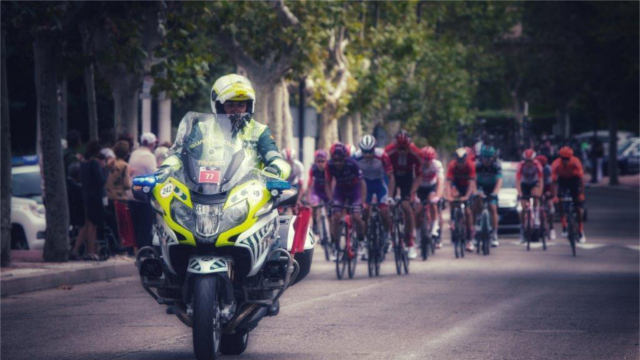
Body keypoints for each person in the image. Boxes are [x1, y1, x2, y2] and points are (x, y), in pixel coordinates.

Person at [161, 74, 291, 181]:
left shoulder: (260, 131)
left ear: (248, 106)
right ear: (219, 106)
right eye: (230, 105)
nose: (236, 110)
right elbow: (182, 154)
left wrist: (275, 169)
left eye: (241, 105)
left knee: (270, 212)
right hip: (205, 193)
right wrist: (165, 168)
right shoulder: (203, 129)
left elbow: (275, 157)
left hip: (249, 196)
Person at [385, 130, 422, 259]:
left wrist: (412, 192)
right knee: (387, 207)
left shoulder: (416, 152)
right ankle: (390, 237)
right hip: (392, 177)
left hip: (407, 178)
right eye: (399, 148)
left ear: (409, 146)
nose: (401, 151)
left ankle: (411, 243)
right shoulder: (388, 151)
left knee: (406, 207)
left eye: (404, 148)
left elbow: (419, 176)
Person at [355, 135, 395, 254]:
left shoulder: (382, 155)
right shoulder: (356, 157)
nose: (367, 155)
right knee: (365, 212)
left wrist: (390, 197)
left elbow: (391, 177)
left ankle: (388, 237)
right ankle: (366, 241)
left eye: (370, 152)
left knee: (384, 211)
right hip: (365, 185)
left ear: (374, 149)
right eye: (365, 152)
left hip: (379, 184)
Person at [325, 142, 366, 253]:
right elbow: (327, 184)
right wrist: (330, 200)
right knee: (335, 216)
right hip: (340, 191)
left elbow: (362, 183)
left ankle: (362, 239)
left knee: (357, 216)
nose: (337, 163)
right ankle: (334, 242)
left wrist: (363, 201)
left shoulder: (353, 164)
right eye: (335, 160)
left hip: (355, 190)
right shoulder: (329, 165)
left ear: (345, 158)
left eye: (340, 160)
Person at [73, 141, 107, 261]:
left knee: (87, 224)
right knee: (93, 225)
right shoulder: (95, 163)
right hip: (95, 196)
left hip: (85, 195)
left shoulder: (83, 163)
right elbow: (101, 181)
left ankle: (75, 249)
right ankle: (91, 252)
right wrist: (104, 169)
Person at [128, 132, 158, 250]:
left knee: (134, 222)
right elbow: (154, 174)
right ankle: (143, 248)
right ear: (151, 144)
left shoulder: (134, 153)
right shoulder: (149, 156)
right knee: (145, 223)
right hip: (144, 194)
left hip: (131, 193)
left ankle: (133, 249)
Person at [552, 146, 586, 243]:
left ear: (570, 158)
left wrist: (581, 194)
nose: (565, 161)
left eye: (567, 159)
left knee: (578, 207)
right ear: (560, 158)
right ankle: (564, 225)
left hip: (574, 180)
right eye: (563, 159)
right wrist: (555, 196)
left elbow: (581, 180)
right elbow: (554, 182)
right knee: (560, 201)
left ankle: (580, 230)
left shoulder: (575, 162)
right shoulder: (556, 164)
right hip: (562, 181)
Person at [445, 148, 476, 251]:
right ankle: (454, 220)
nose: (460, 164)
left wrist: (467, 196)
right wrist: (449, 196)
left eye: (462, 161)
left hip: (467, 187)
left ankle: (469, 239)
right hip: (457, 186)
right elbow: (448, 183)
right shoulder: (452, 165)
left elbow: (472, 183)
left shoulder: (470, 165)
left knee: (467, 212)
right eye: (458, 161)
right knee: (453, 198)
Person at [415, 146, 445, 248]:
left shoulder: (436, 165)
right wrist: (413, 195)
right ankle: (418, 235)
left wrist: (438, 196)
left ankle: (435, 228)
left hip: (432, 186)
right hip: (420, 186)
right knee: (417, 210)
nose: (426, 162)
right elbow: (412, 181)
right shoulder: (417, 164)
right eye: (424, 159)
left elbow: (440, 183)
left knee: (433, 202)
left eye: (428, 160)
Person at [106, 140, 132, 252]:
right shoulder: (125, 166)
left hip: (109, 196)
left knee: (112, 224)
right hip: (121, 197)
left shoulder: (110, 163)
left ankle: (113, 246)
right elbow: (127, 185)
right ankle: (123, 248)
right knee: (123, 225)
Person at [474, 145, 502, 247]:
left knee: (493, 208)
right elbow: (473, 180)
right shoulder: (478, 165)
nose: (487, 160)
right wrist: (476, 191)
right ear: (482, 157)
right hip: (480, 187)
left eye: (489, 158)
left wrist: (495, 192)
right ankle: (476, 226)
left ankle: (494, 234)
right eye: (485, 157)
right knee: (477, 203)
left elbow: (499, 180)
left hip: (492, 188)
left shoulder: (496, 165)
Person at [516, 149, 544, 243]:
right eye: (527, 161)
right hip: (524, 184)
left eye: (530, 161)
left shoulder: (538, 165)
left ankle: (536, 216)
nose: (528, 163)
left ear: (534, 159)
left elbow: (541, 180)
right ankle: (522, 227)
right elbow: (518, 181)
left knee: (536, 195)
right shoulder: (521, 165)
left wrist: (540, 192)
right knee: (523, 207)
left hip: (534, 183)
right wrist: (519, 192)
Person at [306, 149, 330, 236]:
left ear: (326, 161)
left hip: (328, 191)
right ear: (315, 161)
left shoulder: (329, 168)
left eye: (323, 161)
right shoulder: (313, 169)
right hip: (317, 191)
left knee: (330, 211)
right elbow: (309, 185)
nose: (320, 164)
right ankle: (316, 224)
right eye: (318, 161)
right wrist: (308, 199)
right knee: (314, 207)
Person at [66, 162, 87, 260]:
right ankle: (76, 249)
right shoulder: (77, 188)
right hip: (76, 214)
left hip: (72, 213)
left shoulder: (67, 184)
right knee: (87, 224)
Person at [536, 154, 556, 240]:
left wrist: (550, 193)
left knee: (551, 209)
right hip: (537, 187)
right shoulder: (535, 167)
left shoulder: (548, 169)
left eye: (542, 165)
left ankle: (551, 228)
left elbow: (551, 182)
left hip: (546, 188)